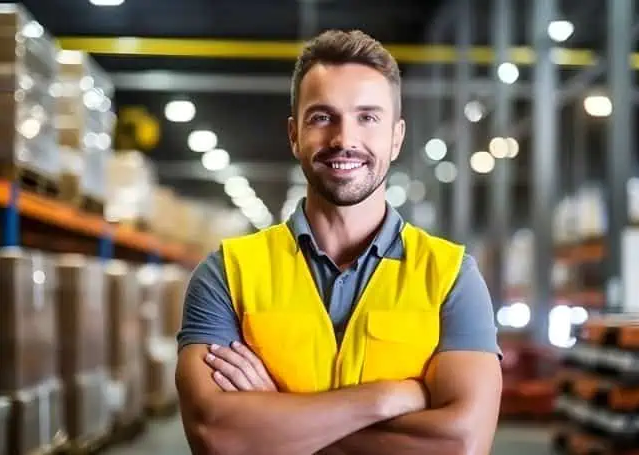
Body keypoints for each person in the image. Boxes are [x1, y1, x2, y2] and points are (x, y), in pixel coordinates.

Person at [174, 29, 503, 455]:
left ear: (397, 137)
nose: (344, 139)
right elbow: (216, 436)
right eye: (321, 117)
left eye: (367, 117)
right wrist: (388, 398)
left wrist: (276, 419)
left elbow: (461, 442)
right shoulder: (228, 273)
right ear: (294, 135)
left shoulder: (450, 275)